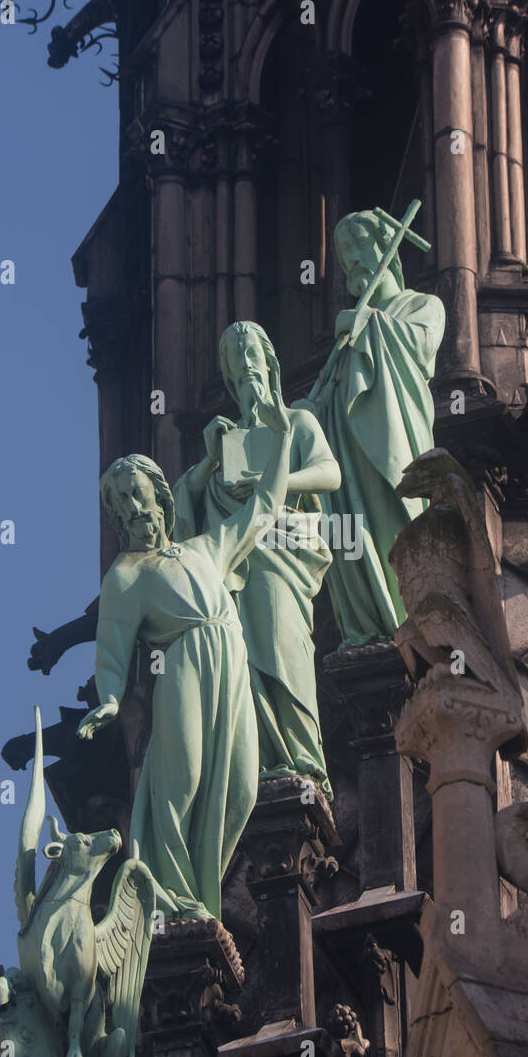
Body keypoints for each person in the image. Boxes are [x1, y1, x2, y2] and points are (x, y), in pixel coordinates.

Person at [77, 362, 292, 922]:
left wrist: (285, 437)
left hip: (231, 654)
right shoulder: (126, 574)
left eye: (136, 494)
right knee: (182, 779)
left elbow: (263, 509)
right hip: (184, 664)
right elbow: (112, 644)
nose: (130, 508)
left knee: (243, 785)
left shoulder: (204, 549)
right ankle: (171, 897)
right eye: (119, 504)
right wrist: (106, 697)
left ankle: (201, 884)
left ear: (158, 495)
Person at [173, 321, 340, 797]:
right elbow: (186, 519)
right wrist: (208, 462)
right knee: (241, 664)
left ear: (269, 360)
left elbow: (329, 473)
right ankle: (260, 761)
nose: (245, 361)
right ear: (227, 374)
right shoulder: (224, 443)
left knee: (283, 650)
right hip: (235, 566)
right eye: (233, 356)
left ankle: (303, 758)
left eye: (251, 351)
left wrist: (277, 485)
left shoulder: (298, 421)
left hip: (280, 554)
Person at [304, 209, 446, 647]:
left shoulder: (422, 305)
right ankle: (369, 624)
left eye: (359, 249)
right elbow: (329, 397)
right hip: (347, 463)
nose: (353, 262)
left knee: (396, 525)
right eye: (345, 257)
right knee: (351, 537)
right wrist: (306, 412)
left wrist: (367, 323)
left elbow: (419, 350)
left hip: (392, 441)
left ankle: (409, 618)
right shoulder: (344, 342)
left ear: (386, 249)